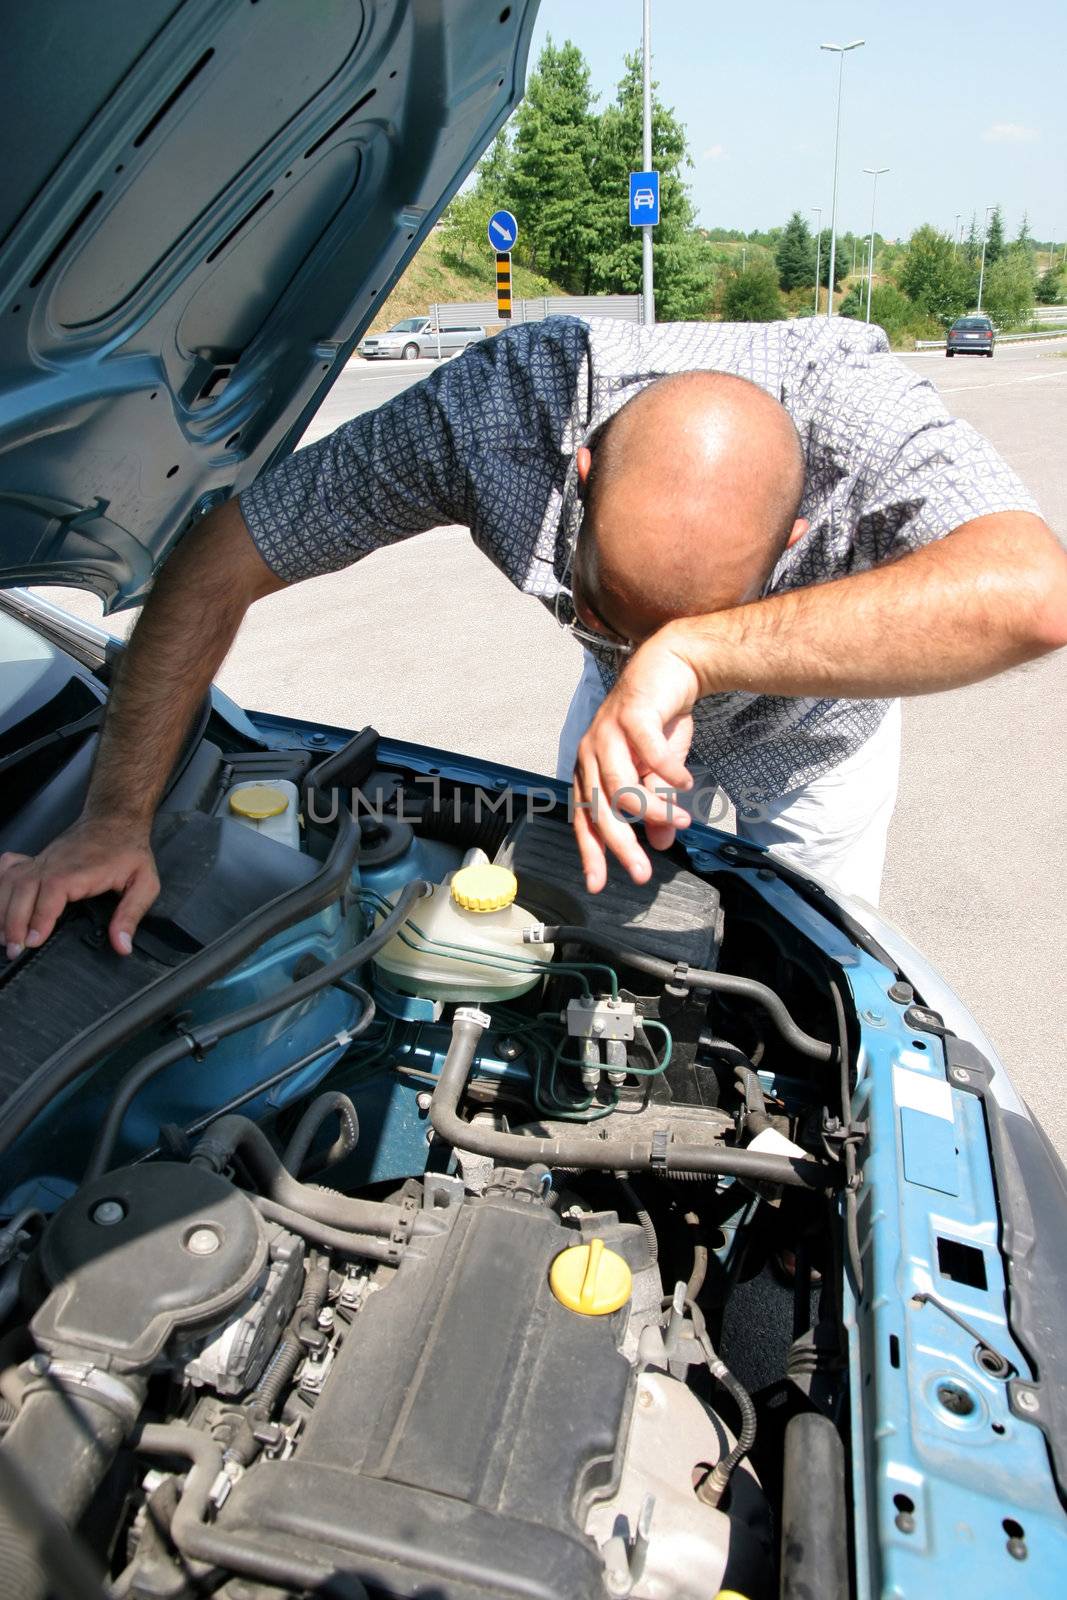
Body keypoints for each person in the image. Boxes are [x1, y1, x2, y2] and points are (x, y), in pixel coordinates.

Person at [1, 315, 1065, 959]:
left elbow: (1032, 593)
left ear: (797, 534)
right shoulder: (498, 415)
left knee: (807, 959)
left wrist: (684, 657)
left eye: (685, 618)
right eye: (606, 608)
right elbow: (220, 558)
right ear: (579, 474)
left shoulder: (861, 421)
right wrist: (112, 817)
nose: (642, 640)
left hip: (816, 748)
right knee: (576, 924)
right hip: (610, 722)